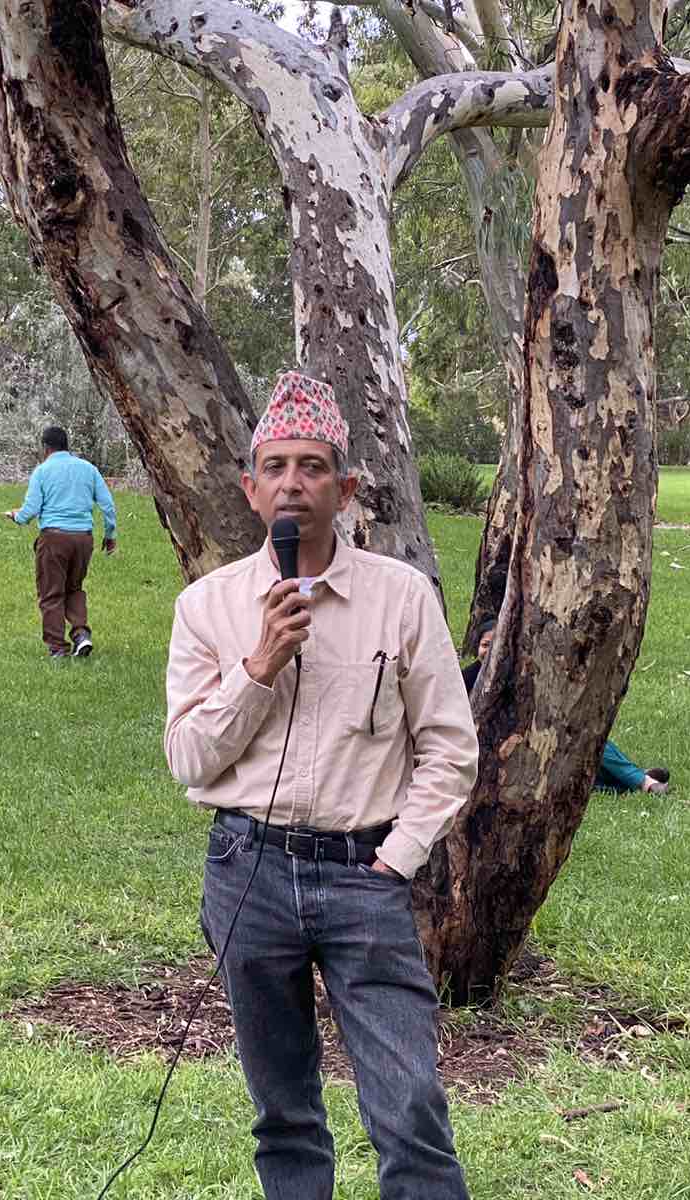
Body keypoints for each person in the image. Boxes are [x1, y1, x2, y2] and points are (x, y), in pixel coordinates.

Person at [165, 371, 477, 1200]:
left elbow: (450, 747)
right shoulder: (207, 607)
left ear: (346, 489)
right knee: (283, 1110)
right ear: (250, 487)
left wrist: (398, 857)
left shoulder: (400, 598)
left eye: (312, 466)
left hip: (364, 873)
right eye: (275, 467)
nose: (292, 483)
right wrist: (259, 666)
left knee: (409, 1106)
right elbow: (189, 759)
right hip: (248, 873)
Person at [462, 618, 670, 793]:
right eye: (485, 645)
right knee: (569, 781)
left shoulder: (522, 672)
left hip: (538, 737)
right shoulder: (465, 679)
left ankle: (640, 780)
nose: (490, 651)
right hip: (496, 752)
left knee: (585, 736)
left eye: (497, 644)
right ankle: (639, 780)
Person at [1, 425, 117, 657]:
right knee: (74, 588)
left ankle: (57, 648)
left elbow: (30, 510)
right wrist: (110, 534)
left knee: (51, 593)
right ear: (66, 445)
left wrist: (16, 516)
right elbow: (108, 505)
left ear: (45, 448)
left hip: (54, 539)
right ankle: (81, 635)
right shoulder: (88, 469)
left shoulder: (42, 471)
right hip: (83, 539)